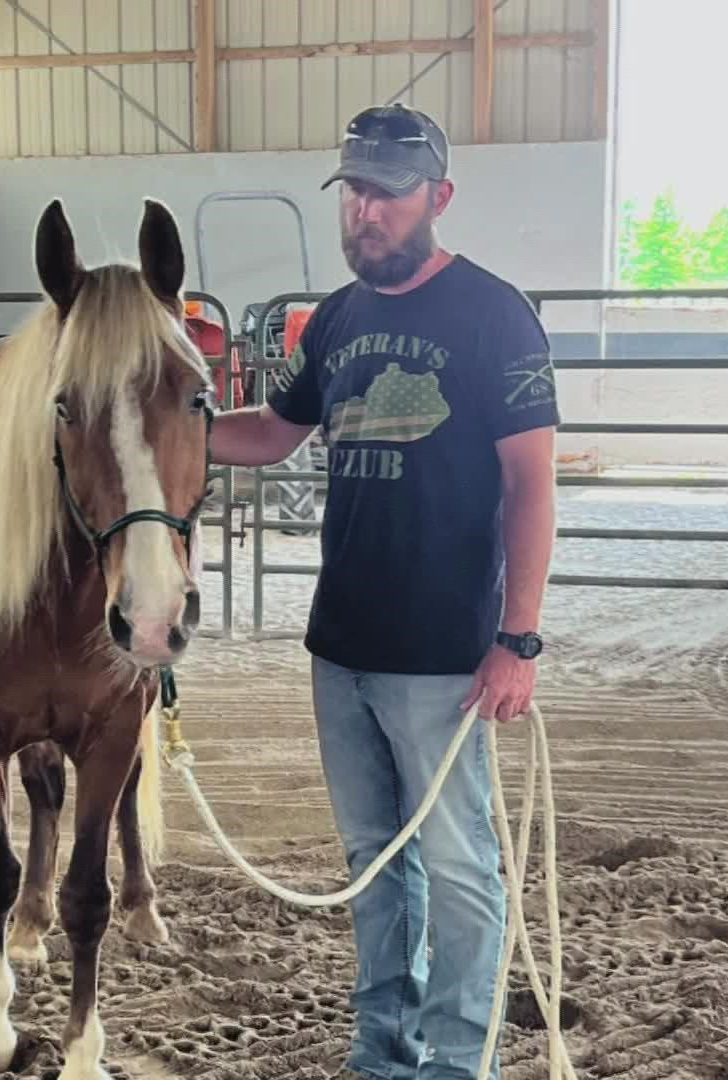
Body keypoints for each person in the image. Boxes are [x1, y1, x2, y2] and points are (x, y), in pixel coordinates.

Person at [206, 102, 560, 1080]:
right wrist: (168, 426)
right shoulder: (339, 319)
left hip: (446, 649)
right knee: (373, 861)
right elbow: (272, 433)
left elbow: (533, 483)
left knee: (457, 868)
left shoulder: (494, 314)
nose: (366, 213)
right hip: (342, 647)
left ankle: (453, 1066)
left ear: (437, 198)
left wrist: (518, 638)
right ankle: (382, 1055)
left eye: (388, 196)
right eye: (354, 192)